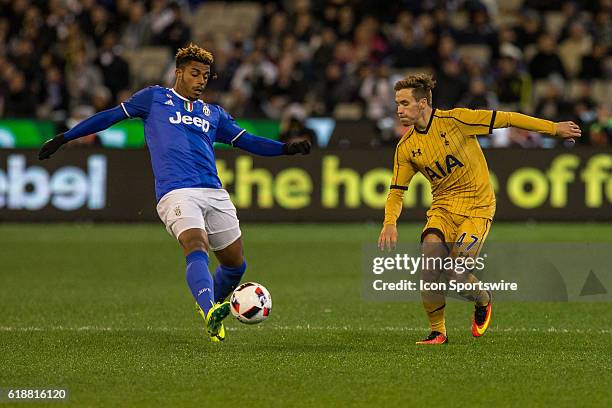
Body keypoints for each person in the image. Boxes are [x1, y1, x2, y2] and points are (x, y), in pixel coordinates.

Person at [39, 43, 311, 342]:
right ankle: (210, 311)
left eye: (205, 76)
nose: (201, 80)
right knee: (196, 244)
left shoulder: (213, 113)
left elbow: (249, 141)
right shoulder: (154, 98)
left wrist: (285, 148)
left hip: (213, 191)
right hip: (176, 191)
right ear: (179, 73)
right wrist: (65, 137)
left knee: (235, 265)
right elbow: (109, 116)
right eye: (195, 74)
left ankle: (210, 304)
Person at [378, 74, 580, 345]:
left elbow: (507, 118)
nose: (399, 110)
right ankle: (438, 332)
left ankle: (483, 300)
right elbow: (396, 191)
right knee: (429, 266)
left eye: (404, 103)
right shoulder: (406, 147)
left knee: (455, 272)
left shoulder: (457, 120)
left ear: (423, 103)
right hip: (443, 208)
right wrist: (389, 222)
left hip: (478, 206)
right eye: (397, 104)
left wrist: (553, 128)